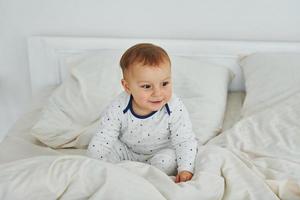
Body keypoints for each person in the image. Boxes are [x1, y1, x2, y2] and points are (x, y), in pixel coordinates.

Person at [87, 43, 198, 183]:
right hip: (128, 151)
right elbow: (104, 137)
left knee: (168, 160)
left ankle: (143, 178)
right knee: (99, 148)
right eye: (146, 86)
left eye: (164, 84)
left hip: (160, 152)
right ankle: (111, 174)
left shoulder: (174, 106)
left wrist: (186, 169)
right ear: (127, 86)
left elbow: (184, 140)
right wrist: (95, 164)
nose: (157, 93)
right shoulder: (119, 106)